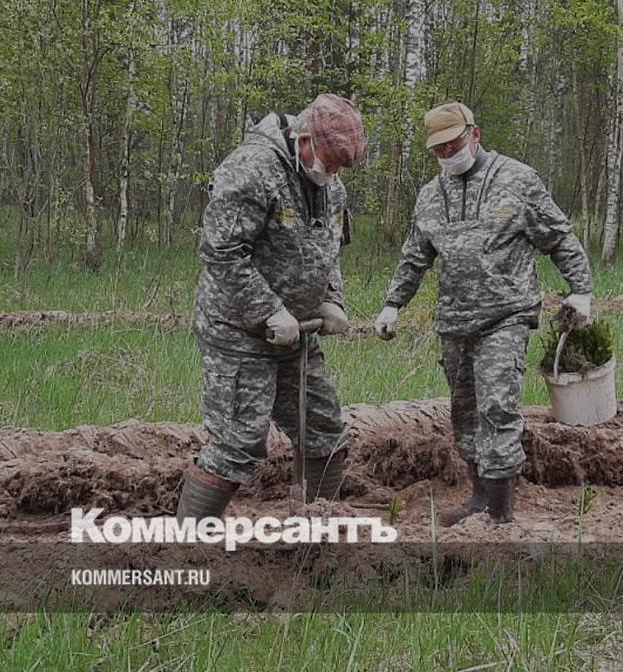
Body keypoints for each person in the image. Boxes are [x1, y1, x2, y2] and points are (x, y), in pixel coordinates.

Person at [373, 101, 593, 526]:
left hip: (506, 315)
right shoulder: (430, 196)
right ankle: (478, 497)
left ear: (475, 134)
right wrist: (392, 304)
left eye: (453, 144)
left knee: (497, 404)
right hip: (455, 321)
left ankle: (500, 511)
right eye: (438, 149)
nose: (447, 154)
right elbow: (415, 257)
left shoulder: (517, 180)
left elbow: (559, 237)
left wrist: (581, 290)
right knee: (465, 411)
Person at [176, 94, 366, 519]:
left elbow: (328, 248)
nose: (333, 172)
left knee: (324, 431)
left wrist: (331, 298)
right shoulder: (251, 170)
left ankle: (313, 530)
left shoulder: (330, 184)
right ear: (305, 139)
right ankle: (189, 542)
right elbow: (221, 252)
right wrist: (268, 310)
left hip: (297, 334)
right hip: (237, 330)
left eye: (341, 166)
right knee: (239, 440)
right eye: (330, 161)